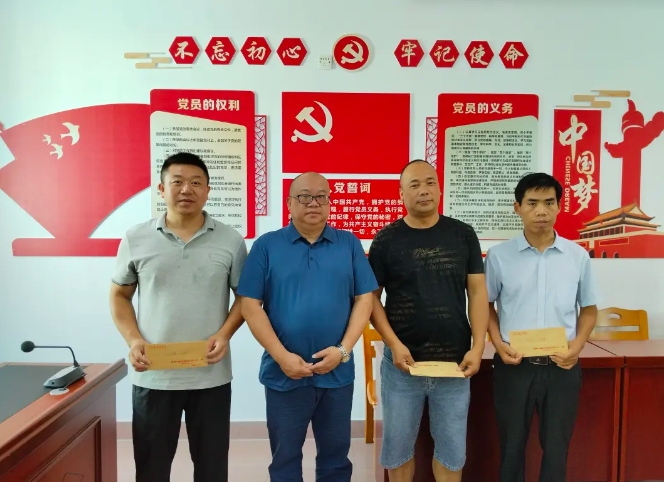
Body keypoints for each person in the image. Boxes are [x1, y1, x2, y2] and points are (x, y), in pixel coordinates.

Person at [109, 152, 247, 482]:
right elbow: (119, 295)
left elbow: (245, 298)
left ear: (208, 191)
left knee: (212, 468)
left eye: (196, 183)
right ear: (161, 189)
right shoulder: (135, 238)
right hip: (154, 374)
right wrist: (134, 340)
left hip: (210, 375)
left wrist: (225, 334)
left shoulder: (230, 240)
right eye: (178, 182)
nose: (187, 189)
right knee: (151, 468)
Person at [237, 172, 377, 482]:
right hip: (284, 373)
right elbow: (249, 305)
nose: (313, 202)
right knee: (285, 459)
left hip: (336, 373)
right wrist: (282, 356)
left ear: (329, 202)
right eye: (304, 196)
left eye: (321, 196)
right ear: (289, 203)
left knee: (336, 459)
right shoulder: (267, 246)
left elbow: (365, 299)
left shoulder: (348, 244)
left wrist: (343, 350)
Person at [367, 159, 489, 482]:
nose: (424, 190)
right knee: (398, 451)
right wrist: (393, 344)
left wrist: (478, 346)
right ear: (401, 194)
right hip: (402, 367)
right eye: (415, 185)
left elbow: (478, 292)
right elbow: (371, 300)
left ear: (439, 188)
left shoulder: (463, 234)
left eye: (430, 182)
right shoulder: (385, 240)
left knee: (452, 453)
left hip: (454, 364)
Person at [484, 172, 599, 482]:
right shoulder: (498, 257)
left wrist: (577, 347)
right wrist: (497, 343)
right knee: (511, 449)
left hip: (562, 367)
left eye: (549, 203)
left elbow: (589, 309)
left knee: (557, 450)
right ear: (517, 207)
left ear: (559, 206)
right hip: (514, 365)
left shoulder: (577, 256)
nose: (541, 211)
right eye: (532, 203)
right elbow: (486, 306)